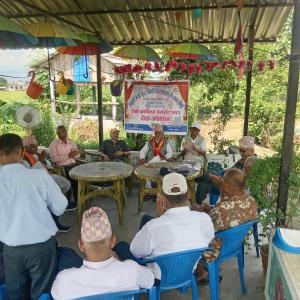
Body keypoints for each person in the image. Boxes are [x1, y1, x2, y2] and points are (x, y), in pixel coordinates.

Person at [0, 133, 68, 300]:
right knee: (42, 293)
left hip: (10, 248)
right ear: (22, 152)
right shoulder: (38, 176)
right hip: (42, 247)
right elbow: (60, 207)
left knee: (15, 294)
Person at [114, 172, 215, 280]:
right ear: (188, 195)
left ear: (163, 199)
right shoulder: (205, 218)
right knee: (147, 220)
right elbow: (209, 243)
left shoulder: (153, 227)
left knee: (121, 246)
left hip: (159, 278)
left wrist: (158, 219)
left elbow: (136, 252)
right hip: (188, 271)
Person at [51, 207, 154, 299]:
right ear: (113, 241)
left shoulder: (65, 280)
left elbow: (55, 295)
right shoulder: (131, 270)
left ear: (81, 245)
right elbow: (150, 280)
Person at [194, 168, 258, 282]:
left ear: (227, 185)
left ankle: (202, 271)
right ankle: (216, 266)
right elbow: (229, 207)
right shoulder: (252, 202)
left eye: (223, 181)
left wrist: (201, 212)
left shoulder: (220, 209)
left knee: (189, 235)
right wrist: (221, 188)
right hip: (235, 243)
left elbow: (208, 227)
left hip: (218, 249)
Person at [22, 135, 71, 232]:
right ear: (25, 147)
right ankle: (55, 222)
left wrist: (42, 160)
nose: (35, 147)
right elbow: (29, 174)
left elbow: (46, 165)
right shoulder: (23, 158)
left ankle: (62, 206)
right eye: (32, 146)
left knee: (66, 184)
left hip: (46, 178)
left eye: (36, 145)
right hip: (37, 185)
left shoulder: (34, 155)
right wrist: (40, 161)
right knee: (53, 196)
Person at [195, 136, 256, 204]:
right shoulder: (242, 160)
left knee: (205, 176)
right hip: (225, 180)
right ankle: (198, 207)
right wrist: (219, 174)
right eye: (239, 150)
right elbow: (229, 170)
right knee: (203, 184)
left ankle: (197, 178)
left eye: (243, 151)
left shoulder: (253, 163)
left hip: (230, 187)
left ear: (252, 150)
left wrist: (221, 178)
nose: (241, 153)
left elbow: (241, 182)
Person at [49, 125, 80, 208]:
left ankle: (79, 200)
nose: (65, 133)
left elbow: (77, 156)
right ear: (58, 133)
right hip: (63, 168)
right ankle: (71, 202)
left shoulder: (71, 142)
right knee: (74, 181)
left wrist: (76, 154)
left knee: (83, 177)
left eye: (66, 131)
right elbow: (53, 159)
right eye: (63, 132)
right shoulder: (54, 144)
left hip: (74, 165)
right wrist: (68, 156)